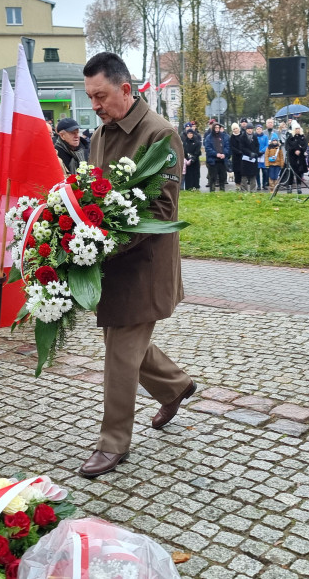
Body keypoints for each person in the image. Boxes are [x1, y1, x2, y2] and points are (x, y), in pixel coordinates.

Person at [78, 52, 195, 478]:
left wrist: (104, 245)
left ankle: (113, 444)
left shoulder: (159, 133)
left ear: (126, 90)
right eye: (91, 97)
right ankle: (177, 386)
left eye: (102, 96)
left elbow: (162, 211)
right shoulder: (99, 135)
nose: (95, 105)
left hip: (143, 266)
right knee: (125, 344)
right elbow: (92, 193)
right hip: (109, 263)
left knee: (119, 354)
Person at [203, 123, 230, 191]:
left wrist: (224, 154)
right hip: (213, 160)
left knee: (222, 177)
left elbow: (227, 146)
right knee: (213, 177)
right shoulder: (209, 137)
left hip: (222, 160)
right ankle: (212, 190)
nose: (217, 129)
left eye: (218, 127)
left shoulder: (224, 136)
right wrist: (216, 154)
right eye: (216, 127)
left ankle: (222, 189)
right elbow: (208, 148)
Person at [285, 122, 307, 193]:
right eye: (296, 129)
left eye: (298, 128)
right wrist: (294, 150)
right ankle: (290, 186)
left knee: (299, 172)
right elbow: (287, 147)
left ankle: (299, 186)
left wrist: (300, 150)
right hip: (292, 157)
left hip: (300, 157)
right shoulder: (290, 137)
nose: (297, 130)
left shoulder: (302, 137)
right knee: (291, 172)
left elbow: (304, 146)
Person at [229, 122, 245, 190]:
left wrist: (242, 151)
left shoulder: (243, 135)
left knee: (243, 171)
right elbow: (231, 147)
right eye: (234, 129)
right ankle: (237, 185)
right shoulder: (231, 137)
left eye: (236, 128)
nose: (235, 130)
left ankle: (243, 186)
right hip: (235, 157)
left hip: (243, 156)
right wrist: (238, 151)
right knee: (236, 172)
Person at [255, 124, 268, 190]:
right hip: (257, 155)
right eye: (257, 129)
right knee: (257, 171)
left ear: (262, 129)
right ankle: (258, 185)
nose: (259, 130)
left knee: (264, 171)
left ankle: (264, 184)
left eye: (260, 129)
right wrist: (257, 152)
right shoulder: (254, 137)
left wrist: (262, 151)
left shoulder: (265, 137)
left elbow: (266, 145)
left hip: (263, 155)